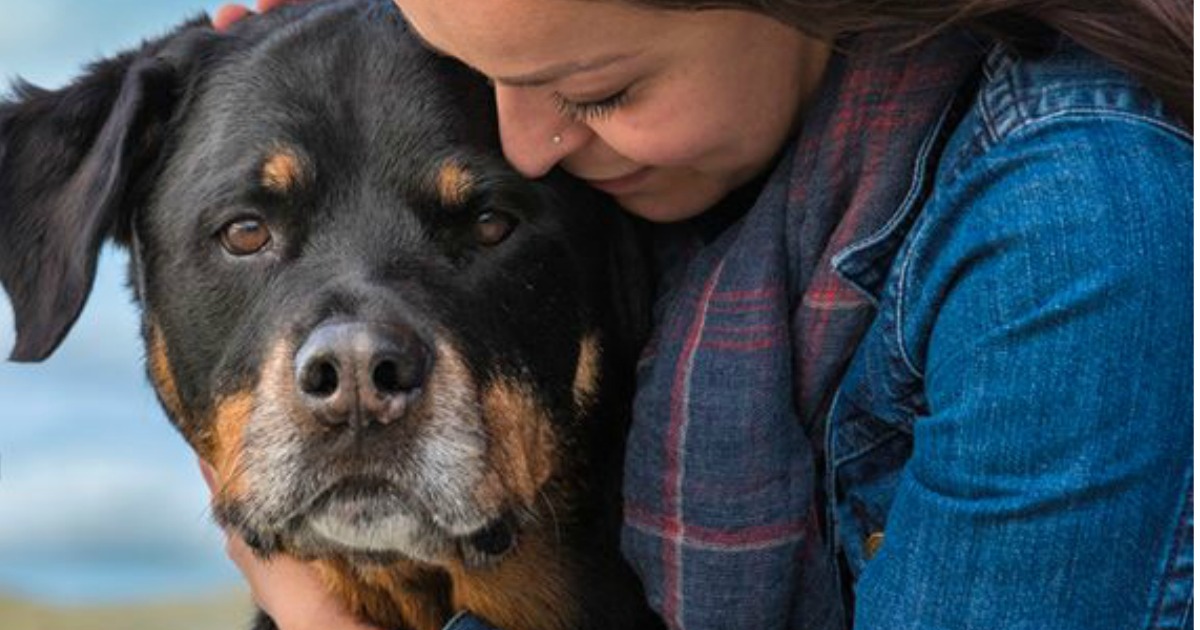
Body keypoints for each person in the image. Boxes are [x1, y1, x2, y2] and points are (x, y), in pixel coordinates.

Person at [206, 0, 1194, 629]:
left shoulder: (1070, 238)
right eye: (479, 75)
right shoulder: (694, 171)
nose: (528, 147)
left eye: (598, 89)